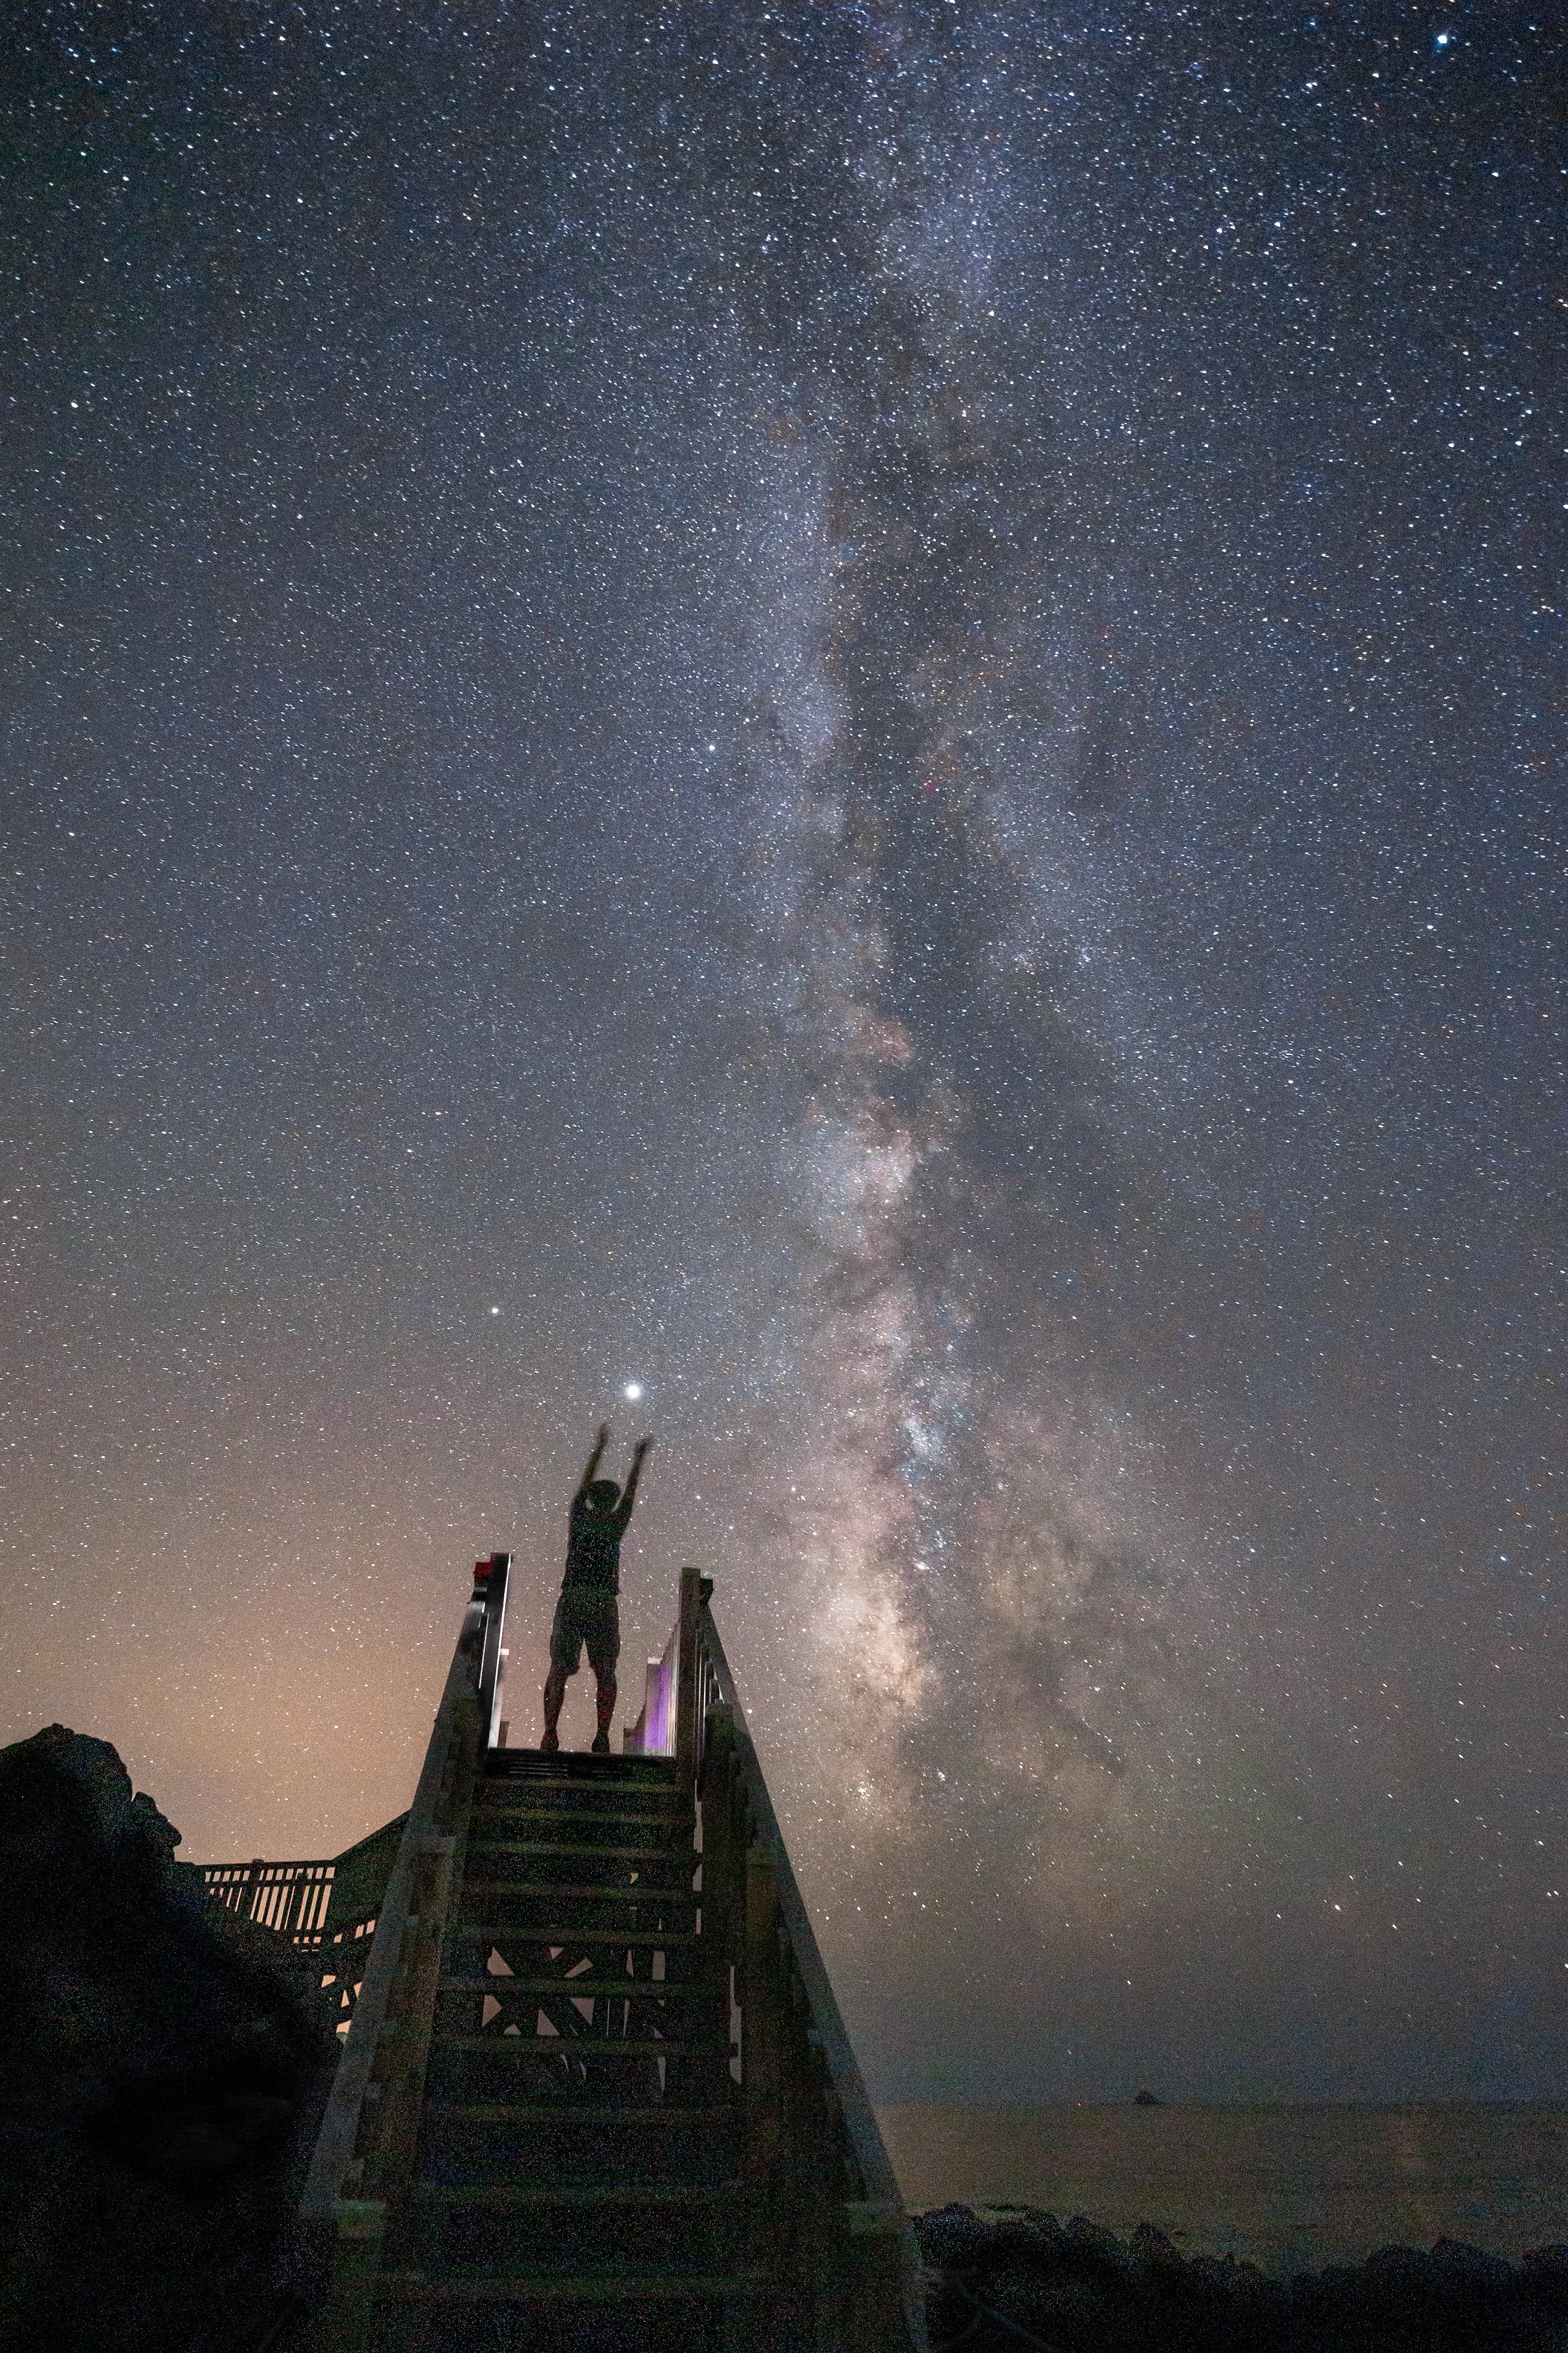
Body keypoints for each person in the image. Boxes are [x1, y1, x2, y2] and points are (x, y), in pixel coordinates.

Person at [541, 1423, 652, 1755]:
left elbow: (583, 1486)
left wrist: (600, 1450)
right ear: (611, 1500)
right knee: (605, 1671)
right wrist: (637, 1460)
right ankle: (602, 1735)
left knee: (559, 1670)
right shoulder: (615, 1524)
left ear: (591, 1499)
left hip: (574, 1600)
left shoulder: (580, 1518)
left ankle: (550, 1734)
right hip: (602, 1603)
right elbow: (631, 1490)